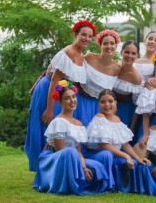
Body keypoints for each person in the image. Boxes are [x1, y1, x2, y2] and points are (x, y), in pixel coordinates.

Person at [25, 20, 96, 172]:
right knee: (49, 125)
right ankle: (44, 167)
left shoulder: (81, 55)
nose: (87, 39)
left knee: (60, 131)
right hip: (50, 91)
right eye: (83, 35)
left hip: (62, 93)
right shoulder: (69, 52)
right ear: (75, 35)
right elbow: (55, 80)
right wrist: (49, 109)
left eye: (90, 36)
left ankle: (56, 167)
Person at [33, 80, 109, 195]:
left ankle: (84, 183)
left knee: (95, 166)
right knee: (70, 152)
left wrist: (83, 167)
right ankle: (68, 184)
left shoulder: (79, 124)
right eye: (67, 98)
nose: (72, 101)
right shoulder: (59, 122)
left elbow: (79, 152)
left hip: (72, 157)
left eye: (74, 97)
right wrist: (80, 167)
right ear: (60, 101)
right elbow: (61, 151)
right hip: (54, 158)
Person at [84, 89, 151, 193]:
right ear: (98, 104)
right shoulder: (99, 118)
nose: (107, 105)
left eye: (110, 101)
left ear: (116, 102)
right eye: (103, 102)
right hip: (97, 155)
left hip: (114, 155)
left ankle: (135, 189)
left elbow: (124, 144)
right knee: (107, 154)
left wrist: (138, 158)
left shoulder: (117, 119)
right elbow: (104, 146)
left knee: (136, 163)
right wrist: (126, 156)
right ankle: (106, 185)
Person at [77, 29, 122, 126]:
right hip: (80, 103)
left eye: (112, 43)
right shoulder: (89, 57)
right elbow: (74, 66)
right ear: (100, 45)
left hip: (100, 109)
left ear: (116, 46)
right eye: (105, 43)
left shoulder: (118, 68)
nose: (109, 46)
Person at [113, 41, 144, 129]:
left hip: (125, 111)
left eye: (133, 53)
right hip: (106, 106)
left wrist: (132, 127)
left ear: (137, 56)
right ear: (121, 52)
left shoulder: (136, 78)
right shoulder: (113, 67)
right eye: (127, 52)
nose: (129, 56)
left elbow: (136, 105)